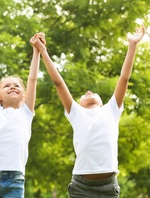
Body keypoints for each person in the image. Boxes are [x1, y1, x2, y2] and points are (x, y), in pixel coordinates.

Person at [30, 25, 146, 197]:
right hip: (81, 186)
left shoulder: (111, 109)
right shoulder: (76, 113)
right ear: (79, 104)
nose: (88, 92)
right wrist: (43, 51)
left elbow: (124, 77)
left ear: (101, 102)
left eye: (93, 93)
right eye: (84, 95)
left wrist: (132, 45)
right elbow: (58, 83)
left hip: (108, 186)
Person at [0, 28, 44, 197]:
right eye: (7, 86)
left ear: (23, 96)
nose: (13, 87)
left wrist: (37, 51)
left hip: (15, 178)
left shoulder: (26, 112)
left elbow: (33, 79)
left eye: (16, 85)